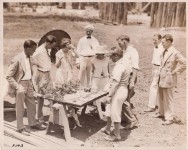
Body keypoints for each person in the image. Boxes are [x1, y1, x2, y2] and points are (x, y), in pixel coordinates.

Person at [6, 40, 45, 136]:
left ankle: (33, 123)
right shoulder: (17, 59)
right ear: (27, 49)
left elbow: (34, 63)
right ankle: (20, 128)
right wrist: (17, 86)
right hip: (20, 85)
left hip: (29, 83)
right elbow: (8, 76)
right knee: (20, 107)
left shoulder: (30, 57)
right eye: (33, 50)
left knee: (32, 105)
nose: (34, 52)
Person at [153, 34, 186, 125]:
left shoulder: (175, 52)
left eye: (163, 42)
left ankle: (169, 117)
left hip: (168, 77)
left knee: (168, 97)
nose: (161, 44)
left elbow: (184, 63)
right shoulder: (164, 50)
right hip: (161, 76)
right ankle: (161, 112)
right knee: (160, 95)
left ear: (168, 42)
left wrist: (175, 71)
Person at [102, 47, 131, 141]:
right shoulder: (125, 62)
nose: (111, 58)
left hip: (118, 91)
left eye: (112, 56)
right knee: (110, 109)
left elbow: (115, 83)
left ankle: (116, 135)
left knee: (115, 112)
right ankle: (107, 128)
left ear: (116, 55)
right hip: (122, 89)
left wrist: (109, 95)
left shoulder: (119, 66)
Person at [32, 35, 57, 124]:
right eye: (51, 45)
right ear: (47, 43)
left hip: (47, 74)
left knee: (52, 94)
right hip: (41, 74)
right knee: (41, 97)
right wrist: (37, 64)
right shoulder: (39, 50)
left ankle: (53, 117)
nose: (51, 47)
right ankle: (39, 118)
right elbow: (30, 58)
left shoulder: (48, 49)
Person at [116, 35, 139, 129]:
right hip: (123, 77)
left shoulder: (132, 51)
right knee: (124, 99)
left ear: (125, 41)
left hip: (130, 77)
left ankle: (132, 120)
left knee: (124, 99)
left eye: (120, 42)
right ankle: (126, 119)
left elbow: (135, 67)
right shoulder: (123, 51)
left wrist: (132, 81)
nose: (119, 44)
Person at [144, 34, 164, 112]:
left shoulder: (162, 48)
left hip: (159, 68)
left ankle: (152, 106)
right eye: (153, 40)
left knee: (153, 86)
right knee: (156, 86)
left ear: (160, 40)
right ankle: (157, 104)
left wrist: (160, 69)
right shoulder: (156, 47)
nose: (154, 41)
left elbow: (163, 60)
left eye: (155, 40)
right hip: (155, 67)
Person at [76, 24, 100, 90]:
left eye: (89, 31)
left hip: (91, 58)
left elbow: (98, 50)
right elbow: (78, 51)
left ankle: (89, 87)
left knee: (90, 73)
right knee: (81, 72)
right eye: (87, 31)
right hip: (83, 58)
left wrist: (96, 60)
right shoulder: (81, 40)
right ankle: (80, 88)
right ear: (85, 31)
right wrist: (77, 62)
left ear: (92, 31)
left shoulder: (95, 40)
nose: (88, 32)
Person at [90, 45, 110, 119]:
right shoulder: (93, 60)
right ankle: (98, 109)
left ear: (103, 54)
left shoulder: (107, 59)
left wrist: (109, 77)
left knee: (106, 92)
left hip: (105, 78)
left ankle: (107, 110)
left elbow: (108, 69)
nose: (99, 55)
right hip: (96, 78)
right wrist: (91, 81)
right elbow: (92, 71)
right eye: (98, 53)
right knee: (95, 92)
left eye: (101, 53)